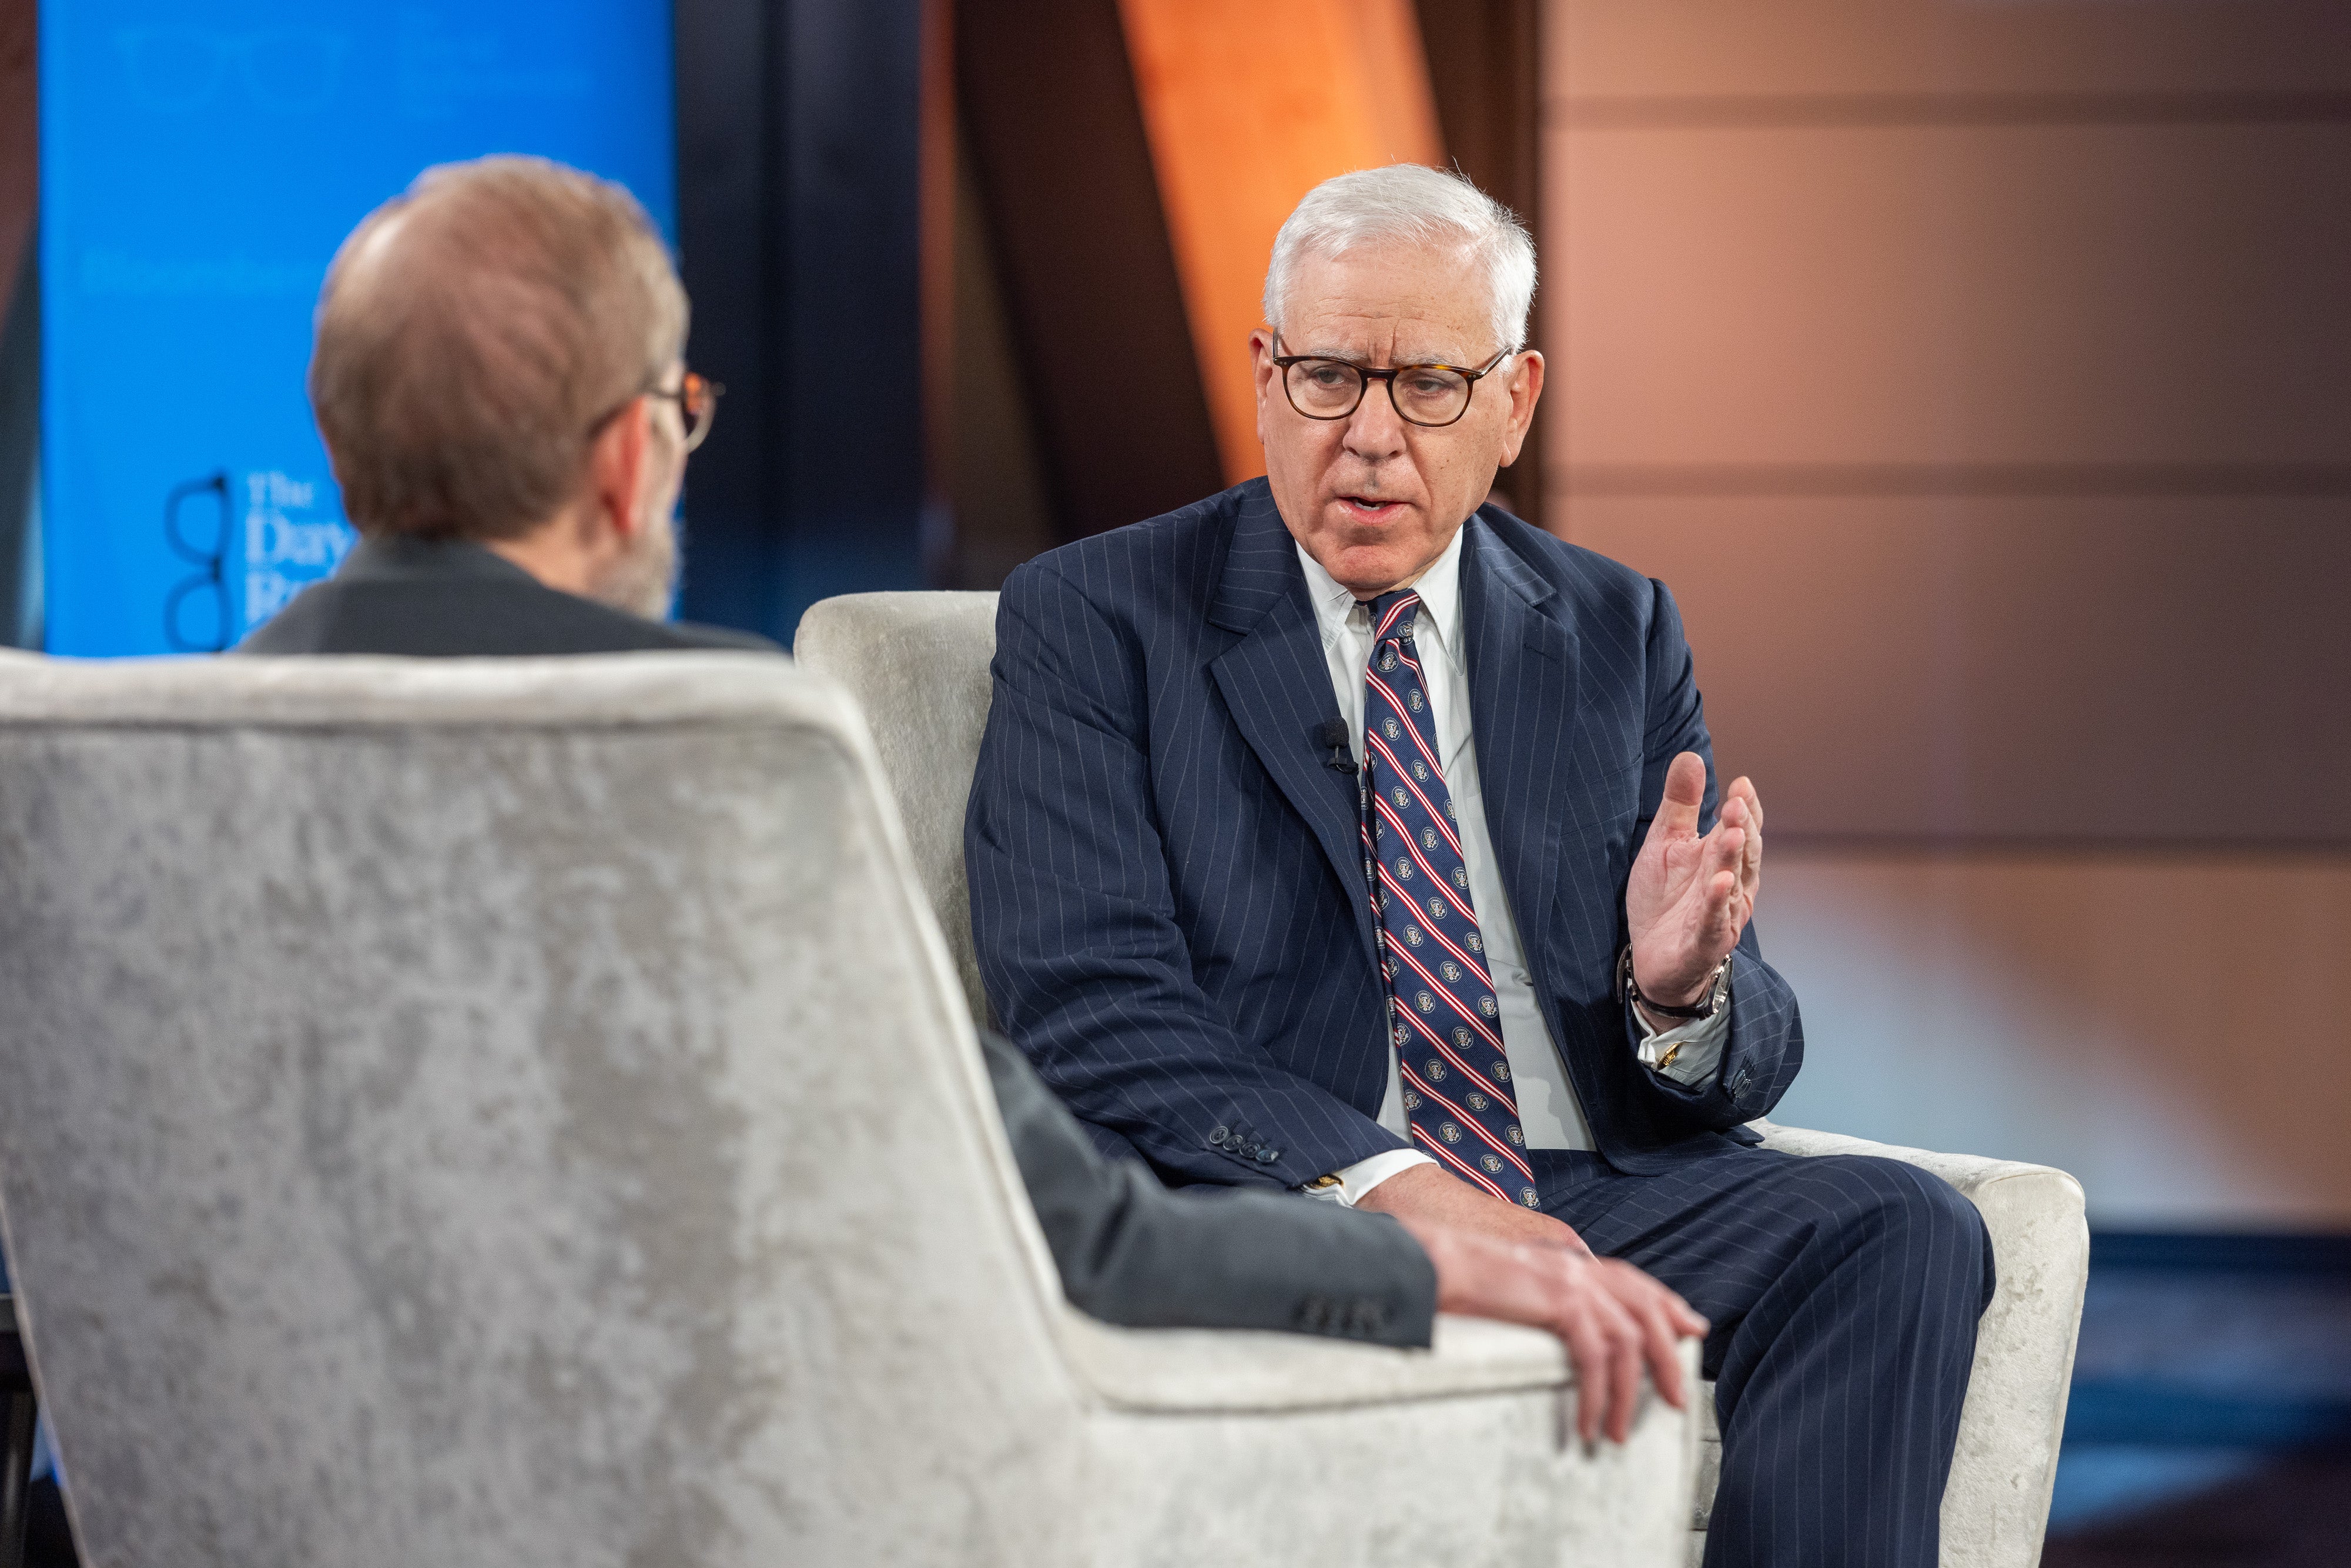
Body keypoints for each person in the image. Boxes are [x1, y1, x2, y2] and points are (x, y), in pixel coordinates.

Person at [240, 157, 1706, 1437]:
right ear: (633, 460)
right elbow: (1032, 1202)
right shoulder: (713, 745)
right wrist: (1407, 1254)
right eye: (680, 417)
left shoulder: (64, 748)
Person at [967, 164, 1994, 1567]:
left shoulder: (1612, 626)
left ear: (1512, 403)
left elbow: (1745, 1051)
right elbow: (1087, 1008)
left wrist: (1677, 997)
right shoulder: (1097, 617)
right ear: (1264, 376)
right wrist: (1392, 1182)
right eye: (1327, 375)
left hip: (1578, 1179)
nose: (1371, 439)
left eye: (1430, 387)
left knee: (1898, 1224)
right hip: (1295, 1194)